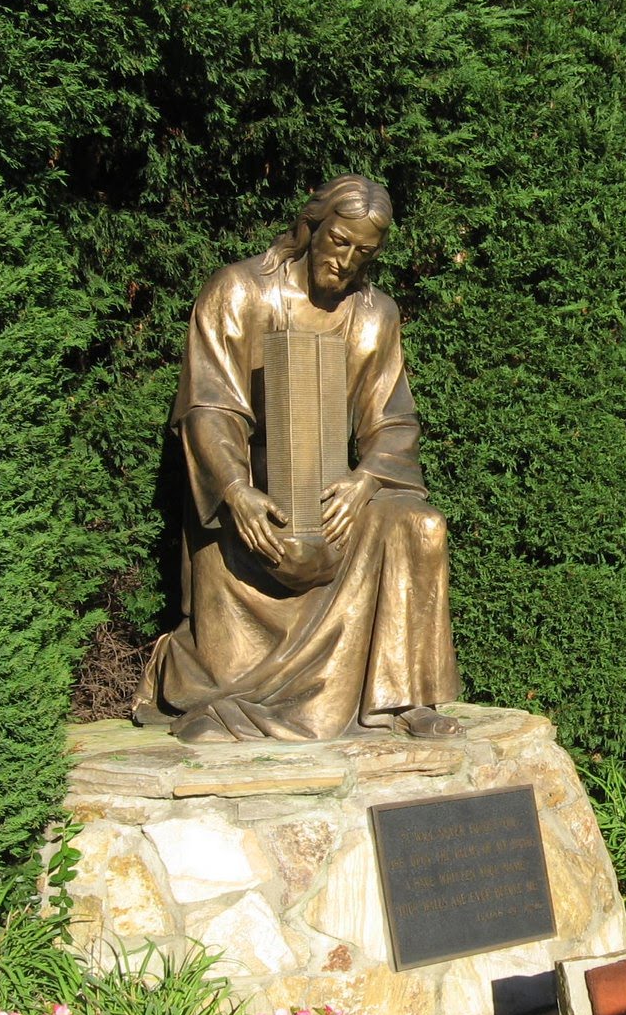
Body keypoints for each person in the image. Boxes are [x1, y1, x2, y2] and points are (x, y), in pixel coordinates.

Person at [132, 176, 463, 742]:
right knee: (262, 534)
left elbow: (393, 421)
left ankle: (398, 698)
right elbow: (209, 407)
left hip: (338, 503)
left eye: (363, 254)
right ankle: (231, 688)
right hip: (251, 508)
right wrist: (237, 491)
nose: (344, 263)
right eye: (339, 242)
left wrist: (366, 481)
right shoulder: (240, 291)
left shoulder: (375, 315)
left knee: (423, 525)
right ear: (312, 227)